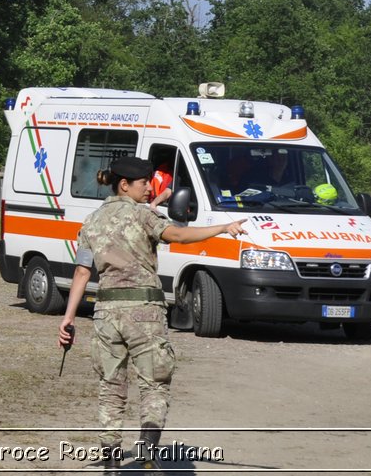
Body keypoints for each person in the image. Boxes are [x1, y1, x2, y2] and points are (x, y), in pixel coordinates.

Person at [57, 155, 248, 473]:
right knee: (154, 385)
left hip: (105, 314)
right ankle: (146, 456)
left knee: (111, 387)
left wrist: (68, 317)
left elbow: (80, 272)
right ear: (124, 185)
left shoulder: (91, 222)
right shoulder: (143, 216)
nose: (150, 187)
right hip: (144, 313)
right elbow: (179, 235)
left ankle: (111, 462)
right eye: (144, 182)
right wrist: (223, 228)